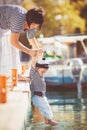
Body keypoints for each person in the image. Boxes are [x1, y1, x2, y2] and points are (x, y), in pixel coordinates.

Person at [0, 4, 44, 75]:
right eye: (34, 25)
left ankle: (16, 75)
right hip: (1, 23)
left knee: (14, 50)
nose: (34, 27)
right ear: (29, 21)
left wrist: (38, 50)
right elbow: (13, 41)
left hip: (5, 26)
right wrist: (29, 51)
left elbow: (31, 38)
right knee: (2, 50)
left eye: (37, 26)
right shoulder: (19, 19)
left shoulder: (31, 23)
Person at [29, 55, 58, 126]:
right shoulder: (34, 73)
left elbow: (40, 63)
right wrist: (34, 55)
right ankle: (50, 120)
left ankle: (46, 120)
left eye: (45, 71)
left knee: (45, 108)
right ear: (37, 68)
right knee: (46, 108)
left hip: (41, 95)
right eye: (42, 71)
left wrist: (40, 55)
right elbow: (33, 63)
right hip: (38, 96)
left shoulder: (40, 73)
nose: (44, 73)